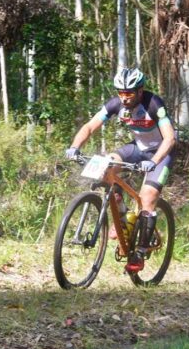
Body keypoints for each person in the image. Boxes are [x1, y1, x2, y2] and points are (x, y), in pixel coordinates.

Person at [66, 67, 176, 273]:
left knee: (147, 198)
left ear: (140, 91)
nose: (124, 98)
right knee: (105, 166)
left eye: (129, 93)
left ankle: (140, 253)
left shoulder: (153, 103)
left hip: (161, 153)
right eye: (121, 93)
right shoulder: (116, 104)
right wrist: (74, 147)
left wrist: (154, 161)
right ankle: (123, 218)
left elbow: (170, 138)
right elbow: (89, 126)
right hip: (137, 148)